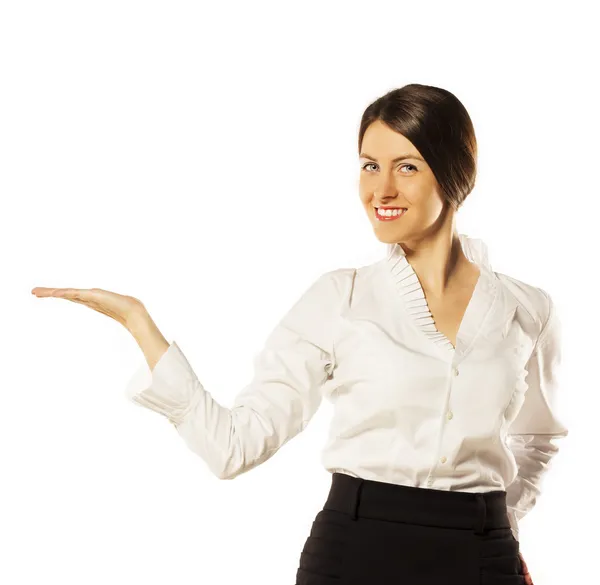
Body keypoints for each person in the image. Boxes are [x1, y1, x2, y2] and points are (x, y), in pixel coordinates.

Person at [31, 83, 567, 584]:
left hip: (481, 554)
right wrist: (138, 323)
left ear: (454, 175)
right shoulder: (340, 298)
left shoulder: (527, 309)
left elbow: (537, 439)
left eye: (406, 167)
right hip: (358, 550)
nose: (380, 189)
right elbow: (233, 449)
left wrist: (504, 523)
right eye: (368, 166)